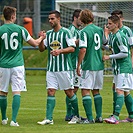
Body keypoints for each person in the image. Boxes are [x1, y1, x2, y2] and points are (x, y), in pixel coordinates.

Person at [0, 6, 45, 127]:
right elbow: (35, 44)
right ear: (13, 16)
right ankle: (14, 120)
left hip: (3, 65)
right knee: (16, 92)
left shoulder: (0, 30)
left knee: (3, 92)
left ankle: (4, 118)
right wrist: (41, 37)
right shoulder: (20, 29)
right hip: (17, 65)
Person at [37, 10, 80, 125]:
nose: (50, 21)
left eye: (52, 19)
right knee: (50, 91)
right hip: (51, 69)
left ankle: (76, 116)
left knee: (69, 92)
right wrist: (41, 39)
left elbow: (72, 48)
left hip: (64, 69)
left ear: (58, 19)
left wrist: (60, 51)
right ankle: (49, 118)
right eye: (49, 19)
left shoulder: (66, 32)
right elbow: (41, 49)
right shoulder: (49, 34)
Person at [76, 9, 107, 124]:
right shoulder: (99, 30)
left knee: (85, 91)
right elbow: (104, 43)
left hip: (89, 64)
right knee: (96, 91)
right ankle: (99, 116)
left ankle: (89, 119)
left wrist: (78, 65)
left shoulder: (84, 31)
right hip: (99, 64)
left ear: (82, 18)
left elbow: (83, 49)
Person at [103, 15, 133, 124]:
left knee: (119, 90)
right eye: (108, 23)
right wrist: (102, 47)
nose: (108, 25)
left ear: (116, 24)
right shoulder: (113, 35)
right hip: (118, 68)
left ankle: (115, 117)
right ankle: (131, 115)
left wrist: (109, 57)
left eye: (110, 23)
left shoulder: (120, 35)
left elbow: (125, 53)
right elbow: (112, 48)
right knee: (125, 91)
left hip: (124, 68)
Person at [65, 9, 82, 121]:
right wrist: (79, 41)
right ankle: (69, 113)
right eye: (80, 18)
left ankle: (70, 113)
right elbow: (70, 44)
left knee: (75, 88)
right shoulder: (71, 30)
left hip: (76, 62)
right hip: (70, 63)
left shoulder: (78, 30)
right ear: (75, 18)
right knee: (71, 89)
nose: (82, 20)